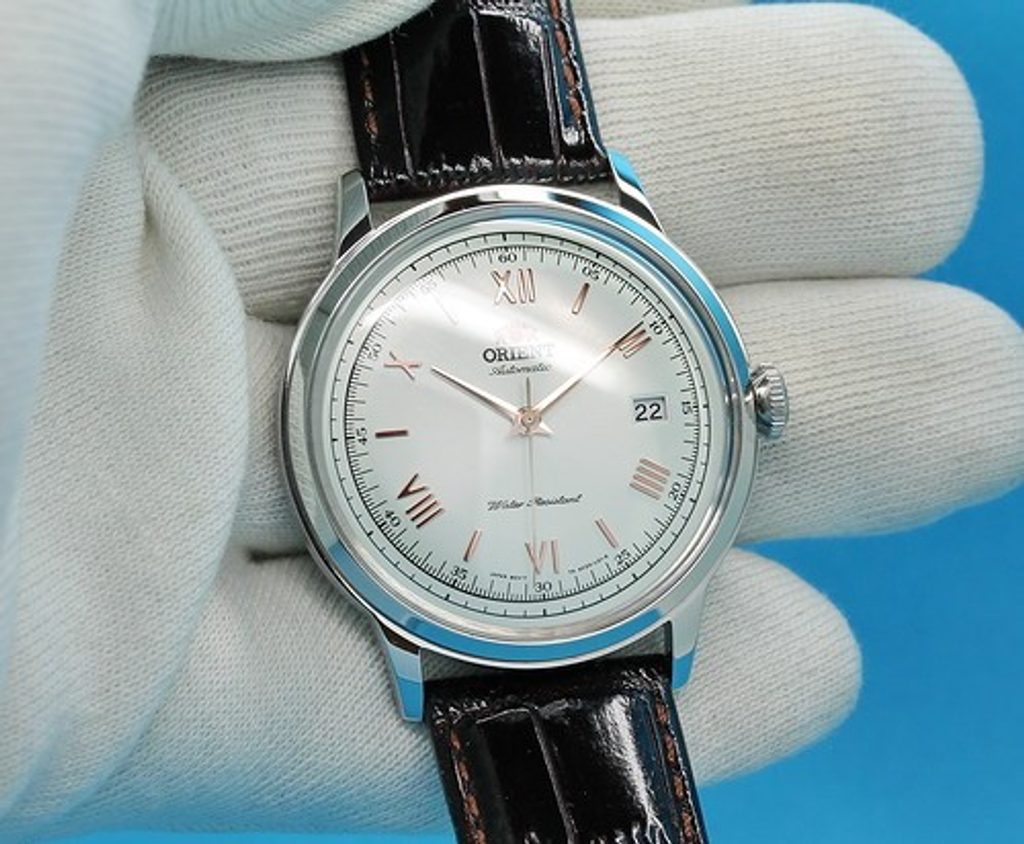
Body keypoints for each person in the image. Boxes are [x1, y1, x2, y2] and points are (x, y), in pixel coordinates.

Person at [1, 0, 1021, 840]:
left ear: (750, 400)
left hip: (587, 579)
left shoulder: (615, 242)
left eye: (540, 401)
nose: (530, 412)